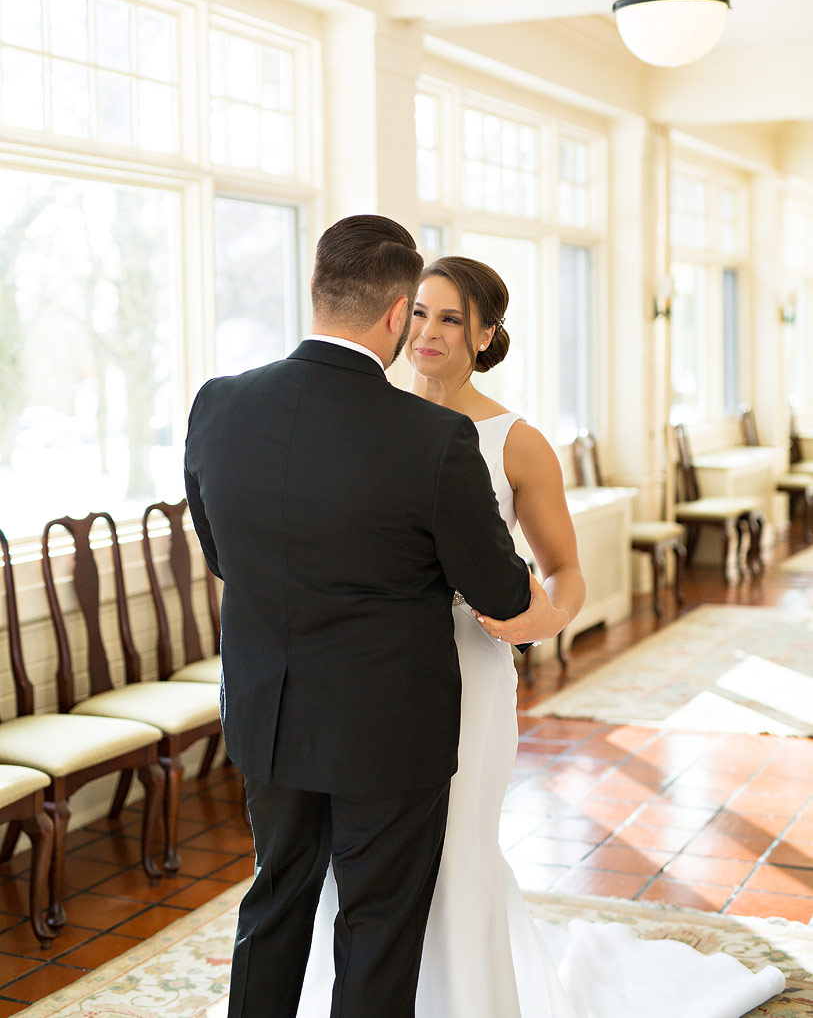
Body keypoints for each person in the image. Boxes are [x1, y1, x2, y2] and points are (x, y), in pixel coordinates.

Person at [297, 255, 786, 1018]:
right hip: (365, 677)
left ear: (486, 334)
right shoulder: (362, 418)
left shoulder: (514, 442)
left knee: (456, 847)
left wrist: (545, 618)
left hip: (467, 668)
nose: (426, 332)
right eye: (417, 311)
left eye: (451, 318)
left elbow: (564, 571)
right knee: (354, 854)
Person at [183, 217, 564, 1018]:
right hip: (387, 729)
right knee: (378, 923)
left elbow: (224, 556)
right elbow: (498, 593)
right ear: (397, 314)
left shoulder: (218, 404)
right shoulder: (433, 437)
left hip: (271, 712)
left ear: (317, 290)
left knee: (275, 901)